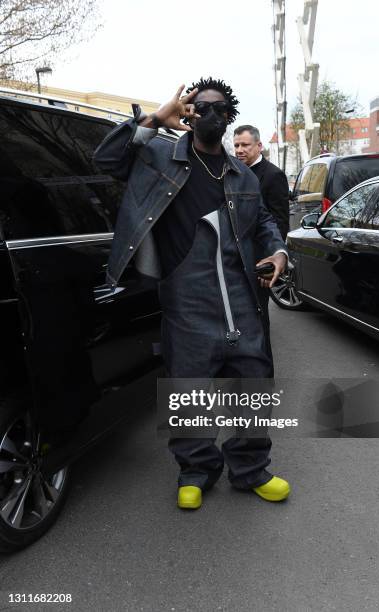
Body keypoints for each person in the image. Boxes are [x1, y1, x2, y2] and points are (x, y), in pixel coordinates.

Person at [94, 78, 290, 510]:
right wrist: (156, 117)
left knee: (254, 382)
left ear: (230, 116)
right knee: (189, 385)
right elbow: (106, 158)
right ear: (189, 112)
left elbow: (263, 225)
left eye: (220, 109)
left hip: (240, 291)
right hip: (185, 290)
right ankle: (195, 471)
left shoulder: (242, 174)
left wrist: (277, 252)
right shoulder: (161, 153)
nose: (211, 115)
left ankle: (251, 469)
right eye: (202, 107)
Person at [233, 125, 290, 358]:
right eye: (236, 145)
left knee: (258, 321)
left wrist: (270, 263)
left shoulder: (273, 175)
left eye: (245, 145)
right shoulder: (234, 173)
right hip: (234, 262)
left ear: (259, 146)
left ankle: (262, 379)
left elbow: (279, 223)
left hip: (259, 263)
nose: (239, 150)